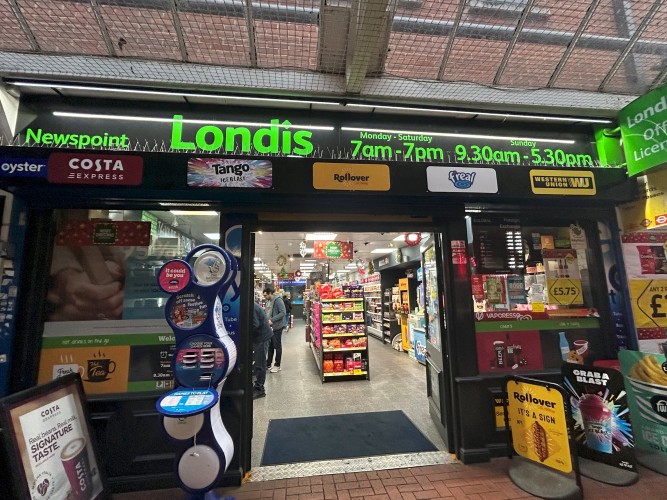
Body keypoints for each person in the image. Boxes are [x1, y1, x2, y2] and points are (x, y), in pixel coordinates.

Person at [252, 301, 273, 399]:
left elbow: (254, 325)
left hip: (262, 337)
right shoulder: (252, 305)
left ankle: (260, 389)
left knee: (260, 364)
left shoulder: (251, 307)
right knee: (258, 363)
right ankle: (257, 386)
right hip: (259, 337)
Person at [263, 286, 286, 373]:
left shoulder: (278, 300)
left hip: (277, 326)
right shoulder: (268, 301)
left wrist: (272, 320)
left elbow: (283, 312)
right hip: (270, 327)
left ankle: (277, 365)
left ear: (270, 294)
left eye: (265, 295)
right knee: (270, 346)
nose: (264, 297)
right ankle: (268, 364)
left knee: (277, 345)